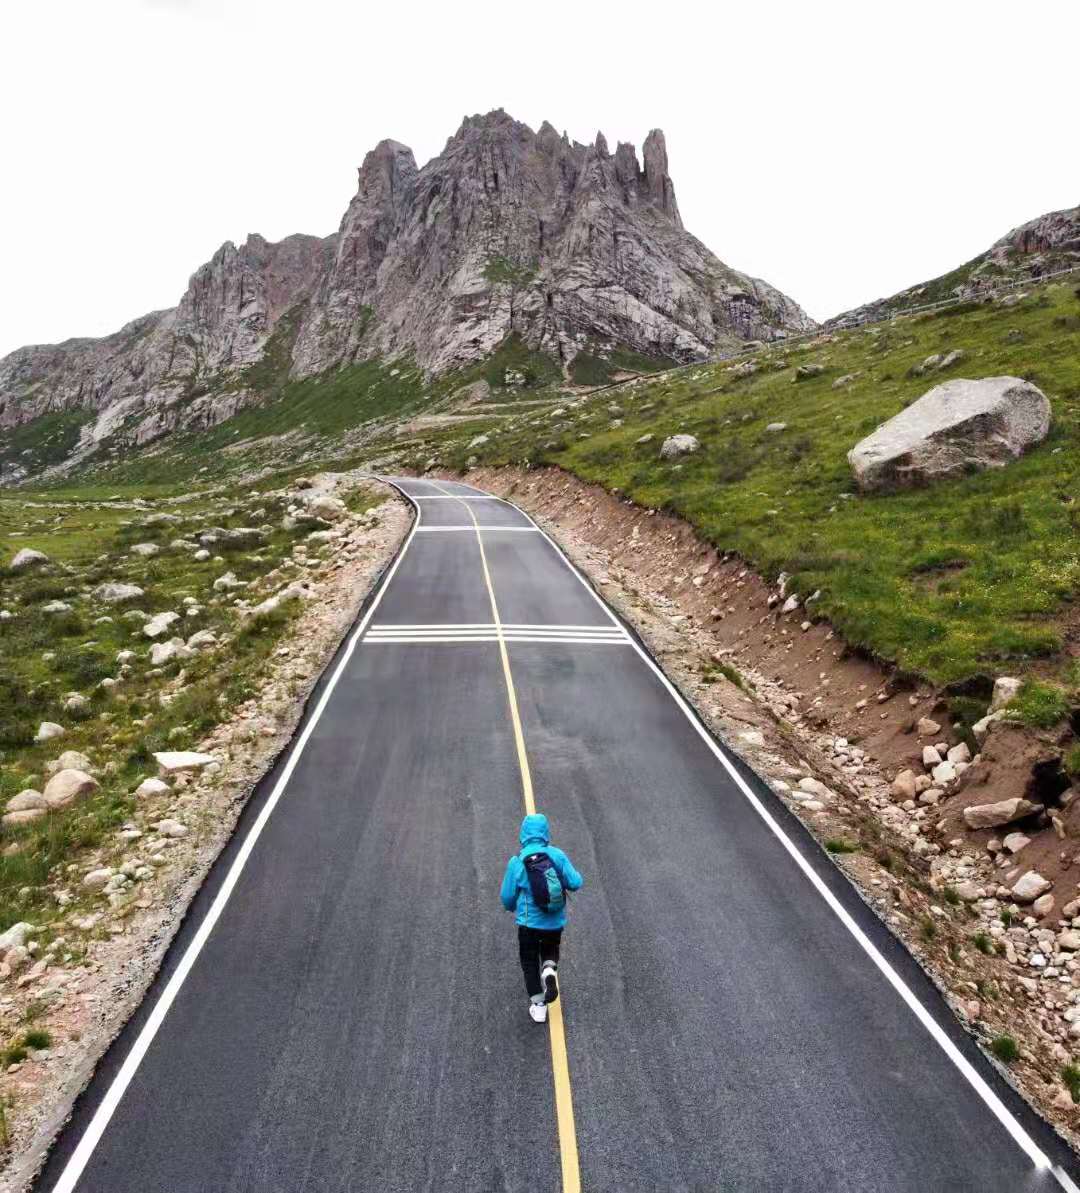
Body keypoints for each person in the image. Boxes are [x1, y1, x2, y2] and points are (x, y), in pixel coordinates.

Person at [500, 812, 584, 1023]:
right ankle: (549, 969)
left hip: (528, 924)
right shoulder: (557, 855)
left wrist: (512, 907)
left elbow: (507, 897)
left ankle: (538, 1007)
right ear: (545, 832)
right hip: (553, 922)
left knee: (529, 961)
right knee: (550, 948)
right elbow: (575, 882)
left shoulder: (517, 861)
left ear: (523, 834)